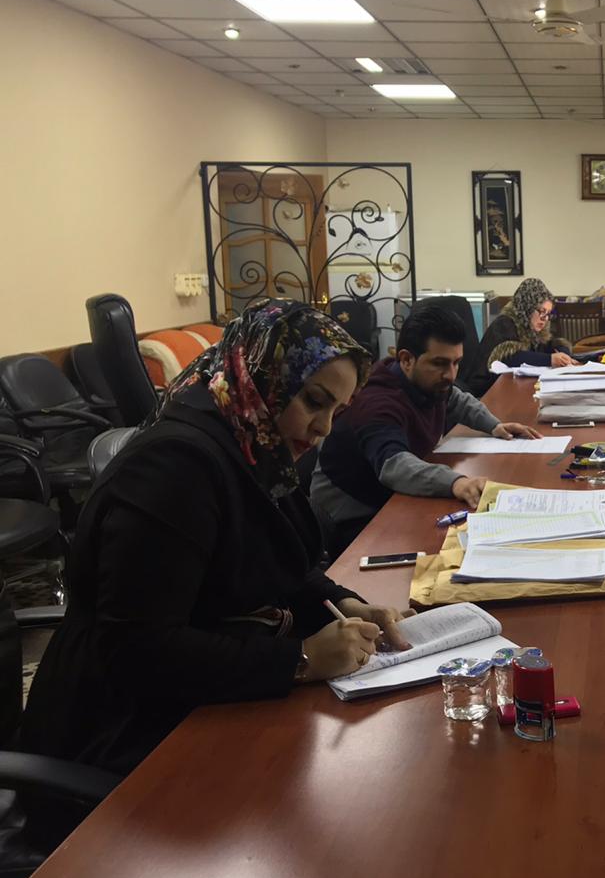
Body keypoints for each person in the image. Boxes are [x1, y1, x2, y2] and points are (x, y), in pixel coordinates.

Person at [21, 299, 411, 845]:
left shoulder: (252, 442)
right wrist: (300, 660)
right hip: (120, 729)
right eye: (314, 401)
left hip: (202, 694)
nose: (323, 428)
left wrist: (342, 601)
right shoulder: (175, 469)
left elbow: (273, 557)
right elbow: (138, 651)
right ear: (259, 374)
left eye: (337, 411)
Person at [311, 304, 540, 553]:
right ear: (406, 360)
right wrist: (456, 482)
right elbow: (395, 467)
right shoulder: (377, 403)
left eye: (456, 363)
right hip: (353, 512)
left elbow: (456, 399)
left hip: (389, 495)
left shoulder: (425, 381)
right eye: (440, 363)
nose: (450, 375)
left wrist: (494, 425)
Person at [464, 277, 576, 395]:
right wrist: (550, 359)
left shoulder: (534, 326)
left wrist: (564, 355)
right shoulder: (504, 324)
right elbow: (510, 357)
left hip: (510, 388)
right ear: (528, 307)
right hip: (485, 391)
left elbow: (552, 344)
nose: (545, 319)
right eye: (541, 311)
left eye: (548, 313)